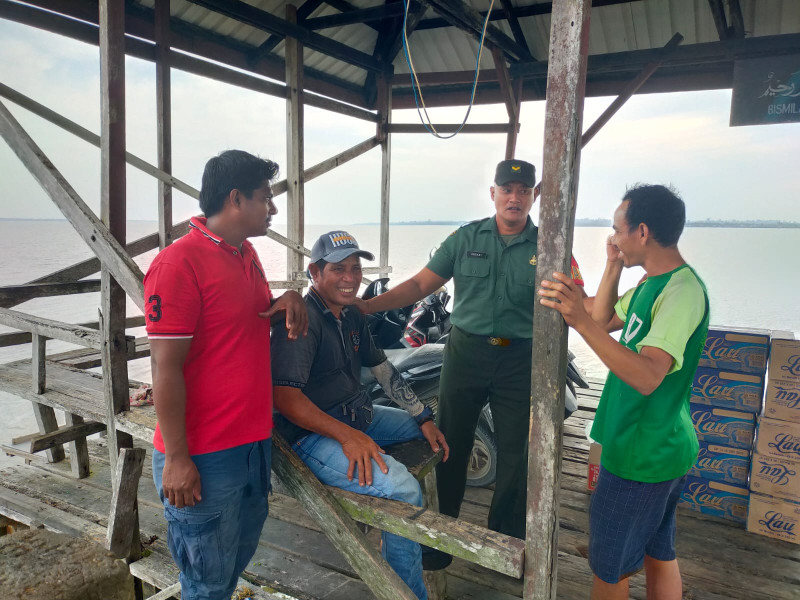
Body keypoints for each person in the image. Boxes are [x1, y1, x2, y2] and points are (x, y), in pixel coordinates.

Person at [353, 159, 585, 556]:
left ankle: (506, 543)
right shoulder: (465, 238)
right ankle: (439, 540)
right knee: (448, 442)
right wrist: (368, 307)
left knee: (517, 454)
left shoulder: (552, 245)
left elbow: (578, 298)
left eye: (523, 191)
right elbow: (419, 283)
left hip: (521, 358)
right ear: (493, 192)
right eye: (507, 189)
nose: (515, 197)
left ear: (533, 196)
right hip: (465, 353)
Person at [145, 150, 308, 600]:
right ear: (236, 199)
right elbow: (165, 365)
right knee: (206, 584)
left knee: (231, 565)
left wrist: (289, 299)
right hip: (204, 455)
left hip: (253, 444)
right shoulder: (178, 264)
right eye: (265, 198)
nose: (273, 208)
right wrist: (178, 459)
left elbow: (242, 319)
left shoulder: (245, 252)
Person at [538, 184, 709, 600]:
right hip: (656, 448)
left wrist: (579, 323)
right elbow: (603, 317)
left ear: (643, 232)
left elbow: (649, 374)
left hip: (641, 454)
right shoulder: (652, 283)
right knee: (657, 552)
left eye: (617, 230)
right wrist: (612, 265)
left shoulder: (681, 292)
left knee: (610, 569)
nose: (613, 237)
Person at [270, 231, 449, 600]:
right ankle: (410, 593)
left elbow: (382, 368)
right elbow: (286, 399)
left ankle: (403, 543)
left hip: (358, 415)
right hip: (310, 437)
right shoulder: (303, 322)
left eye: (356, 268)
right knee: (402, 490)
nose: (350, 278)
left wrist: (422, 416)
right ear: (314, 274)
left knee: (427, 433)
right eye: (338, 269)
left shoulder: (352, 314)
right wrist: (349, 437)